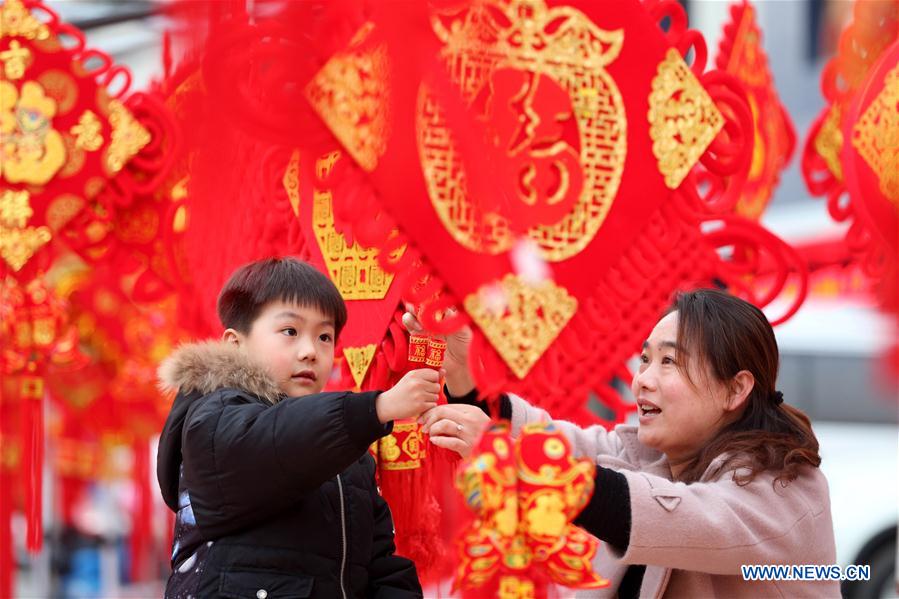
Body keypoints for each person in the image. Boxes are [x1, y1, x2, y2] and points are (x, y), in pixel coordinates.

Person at [415, 289, 841, 597]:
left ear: (735, 390)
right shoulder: (653, 455)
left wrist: (512, 461)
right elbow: (559, 446)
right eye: (644, 359)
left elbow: (674, 517)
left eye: (669, 361)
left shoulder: (784, 489)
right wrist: (465, 376)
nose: (643, 380)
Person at [157, 257, 434, 598]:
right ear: (235, 343)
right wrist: (377, 407)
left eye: (325, 336)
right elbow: (273, 441)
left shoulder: (348, 455)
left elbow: (380, 568)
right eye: (290, 331)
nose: (310, 352)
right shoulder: (212, 418)